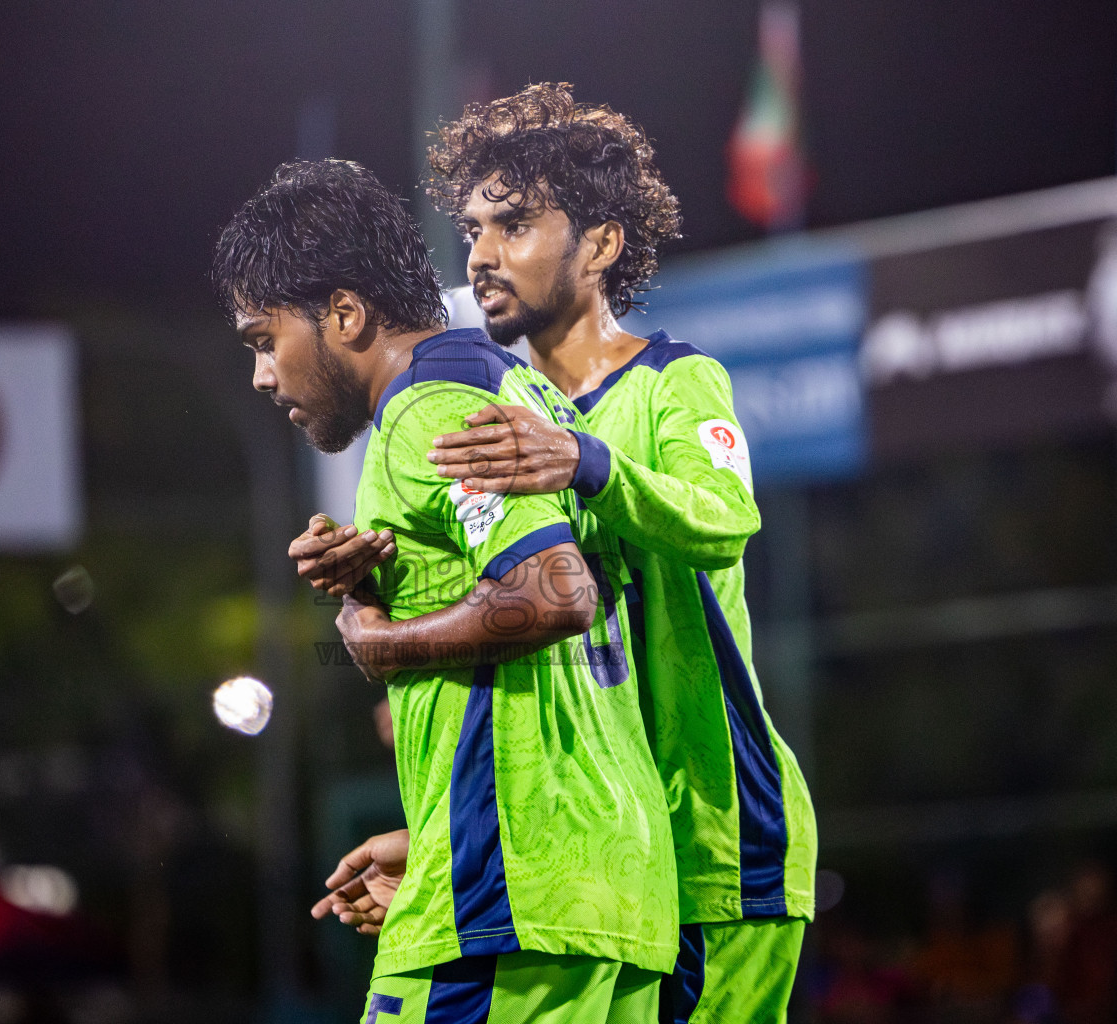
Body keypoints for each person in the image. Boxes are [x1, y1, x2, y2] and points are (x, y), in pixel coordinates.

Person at [305, 84, 818, 1022]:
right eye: (472, 230)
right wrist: (375, 566)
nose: (482, 254)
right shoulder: (495, 410)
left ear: (602, 245)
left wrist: (587, 461)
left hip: (714, 834)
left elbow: (725, 516)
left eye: (515, 225)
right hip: (602, 847)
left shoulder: (674, 380)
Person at [213, 159, 677, 1021]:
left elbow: (553, 592)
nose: (262, 376)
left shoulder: (428, 409)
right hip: (599, 885)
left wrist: (382, 641)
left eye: (263, 339)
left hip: (510, 896)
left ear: (344, 315)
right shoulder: (519, 387)